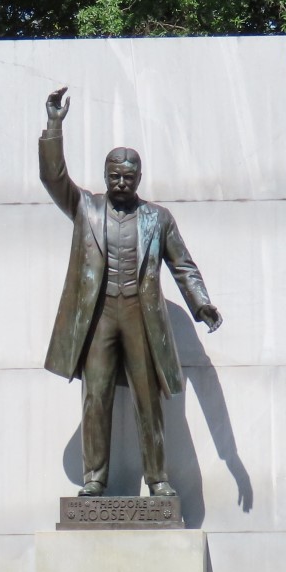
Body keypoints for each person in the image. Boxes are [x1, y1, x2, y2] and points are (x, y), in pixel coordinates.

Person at [39, 86, 222, 497]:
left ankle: (157, 479)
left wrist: (201, 303)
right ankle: (94, 478)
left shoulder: (157, 217)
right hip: (99, 315)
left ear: (140, 178)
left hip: (141, 315)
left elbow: (183, 264)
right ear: (105, 178)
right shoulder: (86, 207)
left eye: (129, 177)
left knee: (148, 399)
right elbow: (53, 178)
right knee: (95, 397)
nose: (121, 182)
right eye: (114, 176)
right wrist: (54, 124)